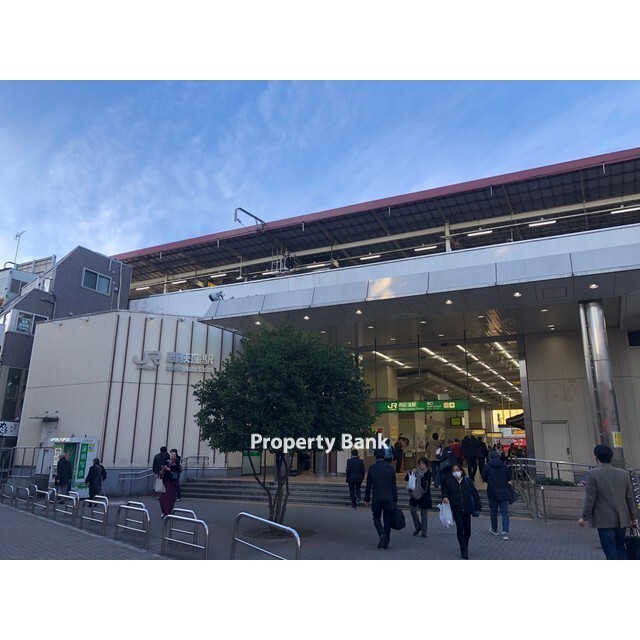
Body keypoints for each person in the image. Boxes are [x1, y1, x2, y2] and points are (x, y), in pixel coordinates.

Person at [578, 444, 638, 560]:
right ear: (610, 457)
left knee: (610, 550)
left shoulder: (592, 474)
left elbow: (590, 498)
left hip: (604, 519)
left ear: (597, 458)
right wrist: (633, 517)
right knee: (620, 547)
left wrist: (584, 517)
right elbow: (629, 497)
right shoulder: (623, 474)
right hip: (622, 518)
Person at [442, 464, 482, 559]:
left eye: (457, 470)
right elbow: (445, 492)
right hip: (456, 509)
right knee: (460, 529)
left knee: (467, 530)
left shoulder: (467, 481)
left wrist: (477, 503)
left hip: (467, 508)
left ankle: (465, 544)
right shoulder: (449, 482)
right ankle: (463, 549)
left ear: (461, 471)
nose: (456, 472)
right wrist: (445, 497)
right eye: (453, 470)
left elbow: (474, 493)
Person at [364, 448, 398, 549]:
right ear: (384, 456)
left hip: (377, 497)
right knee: (387, 520)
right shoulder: (390, 468)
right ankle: (386, 542)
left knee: (376, 517)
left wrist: (366, 499)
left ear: (375, 456)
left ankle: (382, 534)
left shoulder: (372, 468)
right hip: (388, 497)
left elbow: (368, 485)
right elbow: (394, 485)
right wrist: (395, 499)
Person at [482, 449, 512, 539]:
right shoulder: (504, 466)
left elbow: (484, 477)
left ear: (489, 458)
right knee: (505, 513)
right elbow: (509, 477)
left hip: (492, 492)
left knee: (493, 512)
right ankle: (505, 532)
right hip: (503, 491)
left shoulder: (487, 467)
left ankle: (494, 529)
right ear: (498, 457)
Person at [405, 457, 432, 537]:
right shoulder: (415, 471)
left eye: (423, 464)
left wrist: (420, 480)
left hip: (424, 494)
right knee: (412, 509)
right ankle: (418, 526)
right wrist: (411, 472)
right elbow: (406, 478)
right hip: (415, 494)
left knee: (424, 513)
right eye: (420, 464)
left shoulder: (428, 473)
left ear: (426, 465)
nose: (421, 466)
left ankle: (424, 531)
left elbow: (427, 484)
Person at [159, 450, 181, 517]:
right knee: (162, 498)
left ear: (176, 457)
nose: (172, 456)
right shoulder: (166, 462)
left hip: (172, 483)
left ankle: (167, 512)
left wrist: (169, 470)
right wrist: (163, 469)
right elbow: (161, 473)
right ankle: (163, 511)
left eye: (174, 455)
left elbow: (176, 474)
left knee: (169, 499)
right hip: (165, 482)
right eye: (171, 454)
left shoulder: (176, 464)